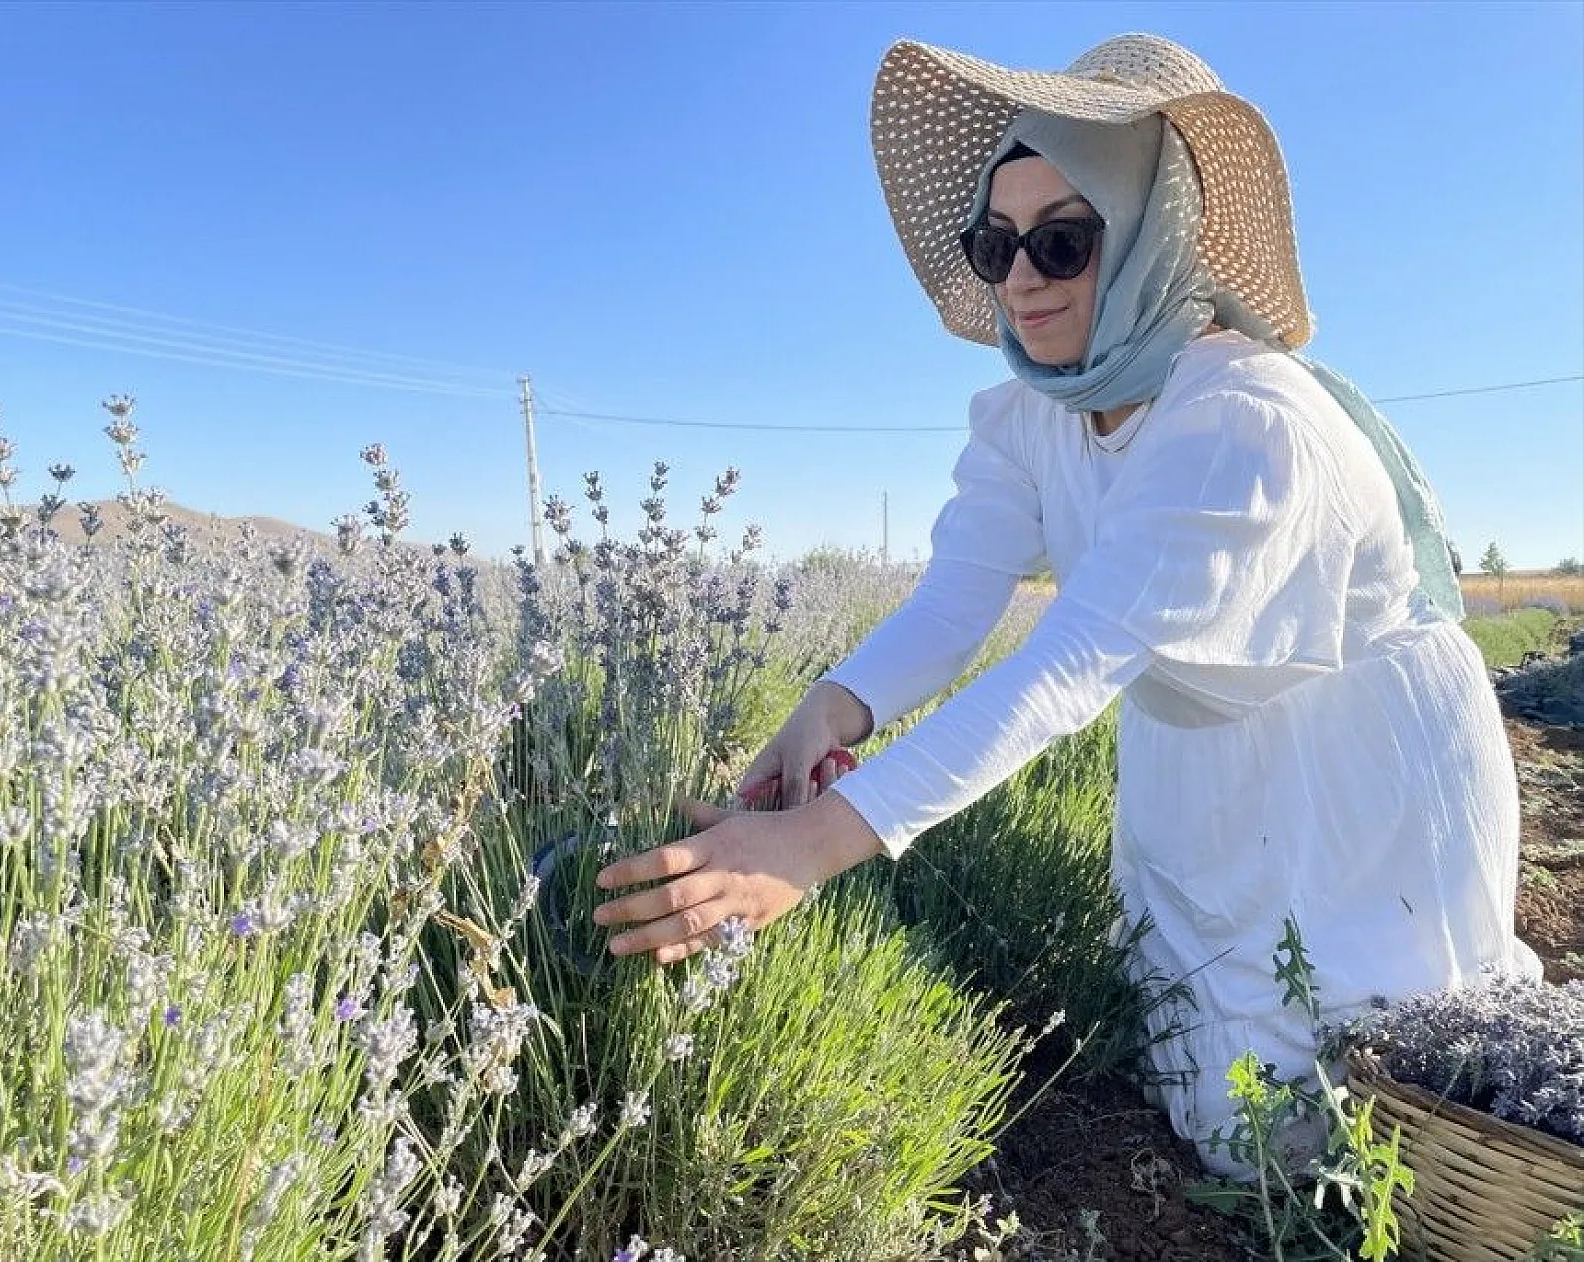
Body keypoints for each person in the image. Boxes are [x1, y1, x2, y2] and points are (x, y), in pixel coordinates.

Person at [591, 32, 1540, 1176]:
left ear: (1151, 236)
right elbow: (953, 601)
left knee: (1372, 1116)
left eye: (1061, 240)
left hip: (1352, 757)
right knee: (1202, 1084)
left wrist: (805, 848)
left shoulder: (1241, 420)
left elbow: (1065, 666)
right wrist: (828, 711)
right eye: (995, 244)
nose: (1021, 278)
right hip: (1195, 748)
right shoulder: (1033, 413)